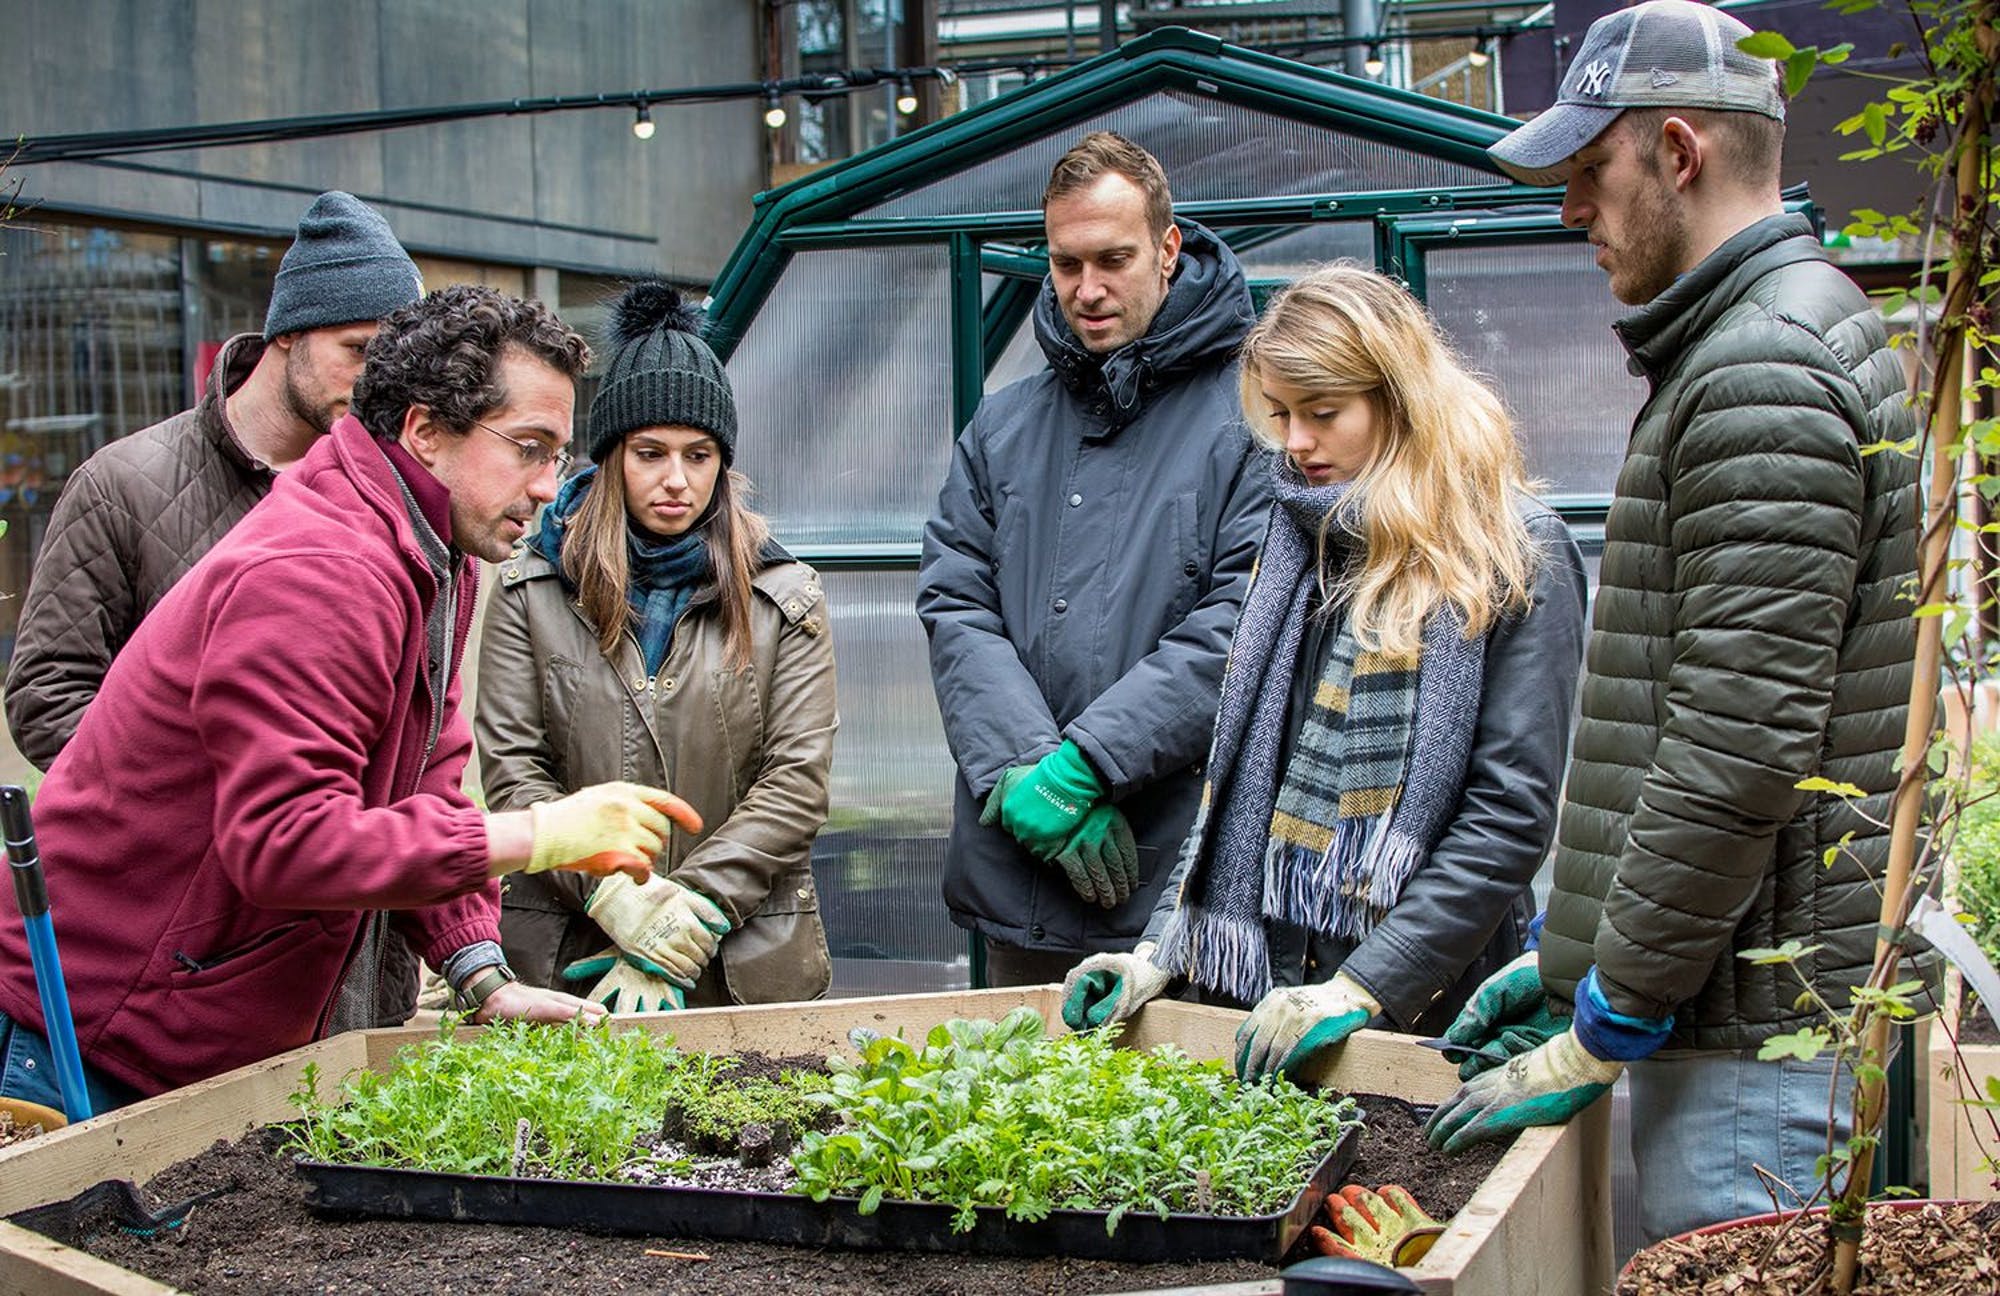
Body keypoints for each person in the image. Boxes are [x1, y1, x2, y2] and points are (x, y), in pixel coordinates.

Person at [1421, 0, 1922, 1244]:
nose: (1568, 211)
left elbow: (1734, 748)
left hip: (1752, 1051)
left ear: (1678, 155)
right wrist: (1564, 953)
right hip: (1750, 1005)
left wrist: (1617, 1000)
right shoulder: (1773, 333)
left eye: (1589, 172)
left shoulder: (1758, 371)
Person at [0, 285, 699, 1112]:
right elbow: (287, 843)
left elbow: (425, 782)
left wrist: (479, 970)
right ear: (425, 432)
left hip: (189, 1031)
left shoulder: (436, 553)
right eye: (529, 448)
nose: (551, 485)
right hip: (89, 1037)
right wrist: (542, 833)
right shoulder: (319, 571)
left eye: (560, 454)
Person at [1059, 265, 1588, 1083]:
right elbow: (1239, 783)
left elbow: (1507, 818)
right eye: (1280, 417)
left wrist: (1361, 985)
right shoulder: (1299, 539)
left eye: (1322, 413)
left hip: (1427, 1008)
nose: (1295, 443)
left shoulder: (1516, 550)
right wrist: (1159, 953)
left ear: (1400, 401)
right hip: (1267, 991)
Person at [917, 132, 1272, 986]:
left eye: (1113, 259)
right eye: (1066, 264)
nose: (1088, 289)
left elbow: (1246, 617)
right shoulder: (1002, 428)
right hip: (1020, 867)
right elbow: (955, 601)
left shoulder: (1259, 414)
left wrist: (1087, 765)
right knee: (1011, 1113)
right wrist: (1025, 773)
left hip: (1178, 880)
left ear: (1169, 247)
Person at [476, 281, 836, 1013]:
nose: (677, 480)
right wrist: (612, 894)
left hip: (742, 964)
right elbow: (515, 771)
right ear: (612, 457)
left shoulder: (784, 596)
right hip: (573, 955)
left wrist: (683, 919)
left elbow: (795, 784)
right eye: (650, 453)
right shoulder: (531, 590)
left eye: (699, 456)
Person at [6, 190, 423, 770]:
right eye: (356, 349)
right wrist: (190, 806)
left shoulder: (384, 491)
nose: (373, 380)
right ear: (289, 332)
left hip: (326, 848)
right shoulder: (121, 483)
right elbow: (47, 699)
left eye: (390, 364)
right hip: (166, 854)